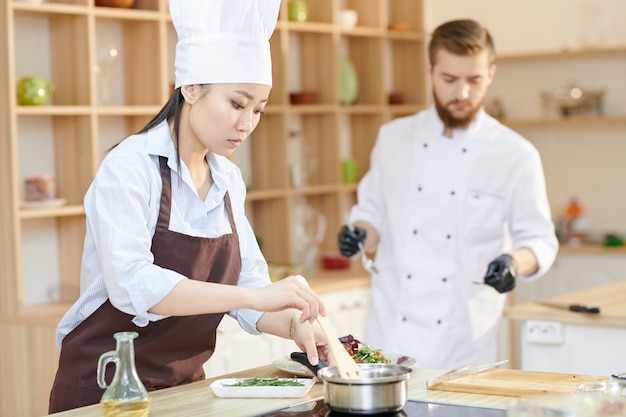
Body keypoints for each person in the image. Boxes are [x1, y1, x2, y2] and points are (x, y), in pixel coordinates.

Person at [49, 0, 330, 412]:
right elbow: (133, 286)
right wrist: (259, 298)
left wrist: (293, 325)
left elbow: (248, 286)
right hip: (105, 392)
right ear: (192, 88)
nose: (247, 124)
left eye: (258, 110)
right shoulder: (129, 168)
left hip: (185, 393)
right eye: (237, 104)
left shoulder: (229, 180)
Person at [337, 19, 558, 369]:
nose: (462, 94)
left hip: (464, 342)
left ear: (491, 74)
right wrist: (359, 233)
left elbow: (540, 241)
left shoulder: (515, 154)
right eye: (449, 80)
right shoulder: (393, 139)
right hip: (390, 334)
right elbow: (373, 215)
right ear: (430, 71)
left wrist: (515, 261)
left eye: (474, 80)